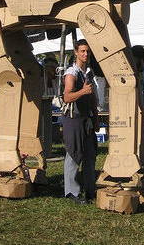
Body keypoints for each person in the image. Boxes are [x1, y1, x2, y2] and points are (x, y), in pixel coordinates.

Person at [61, 39, 98, 204]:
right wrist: (82, 91)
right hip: (73, 119)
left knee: (90, 156)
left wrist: (95, 119)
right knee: (74, 155)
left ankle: (90, 191)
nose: (85, 54)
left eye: (87, 51)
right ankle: (72, 193)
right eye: (82, 51)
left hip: (87, 119)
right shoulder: (71, 73)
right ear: (76, 52)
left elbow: (92, 99)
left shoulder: (88, 72)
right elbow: (67, 96)